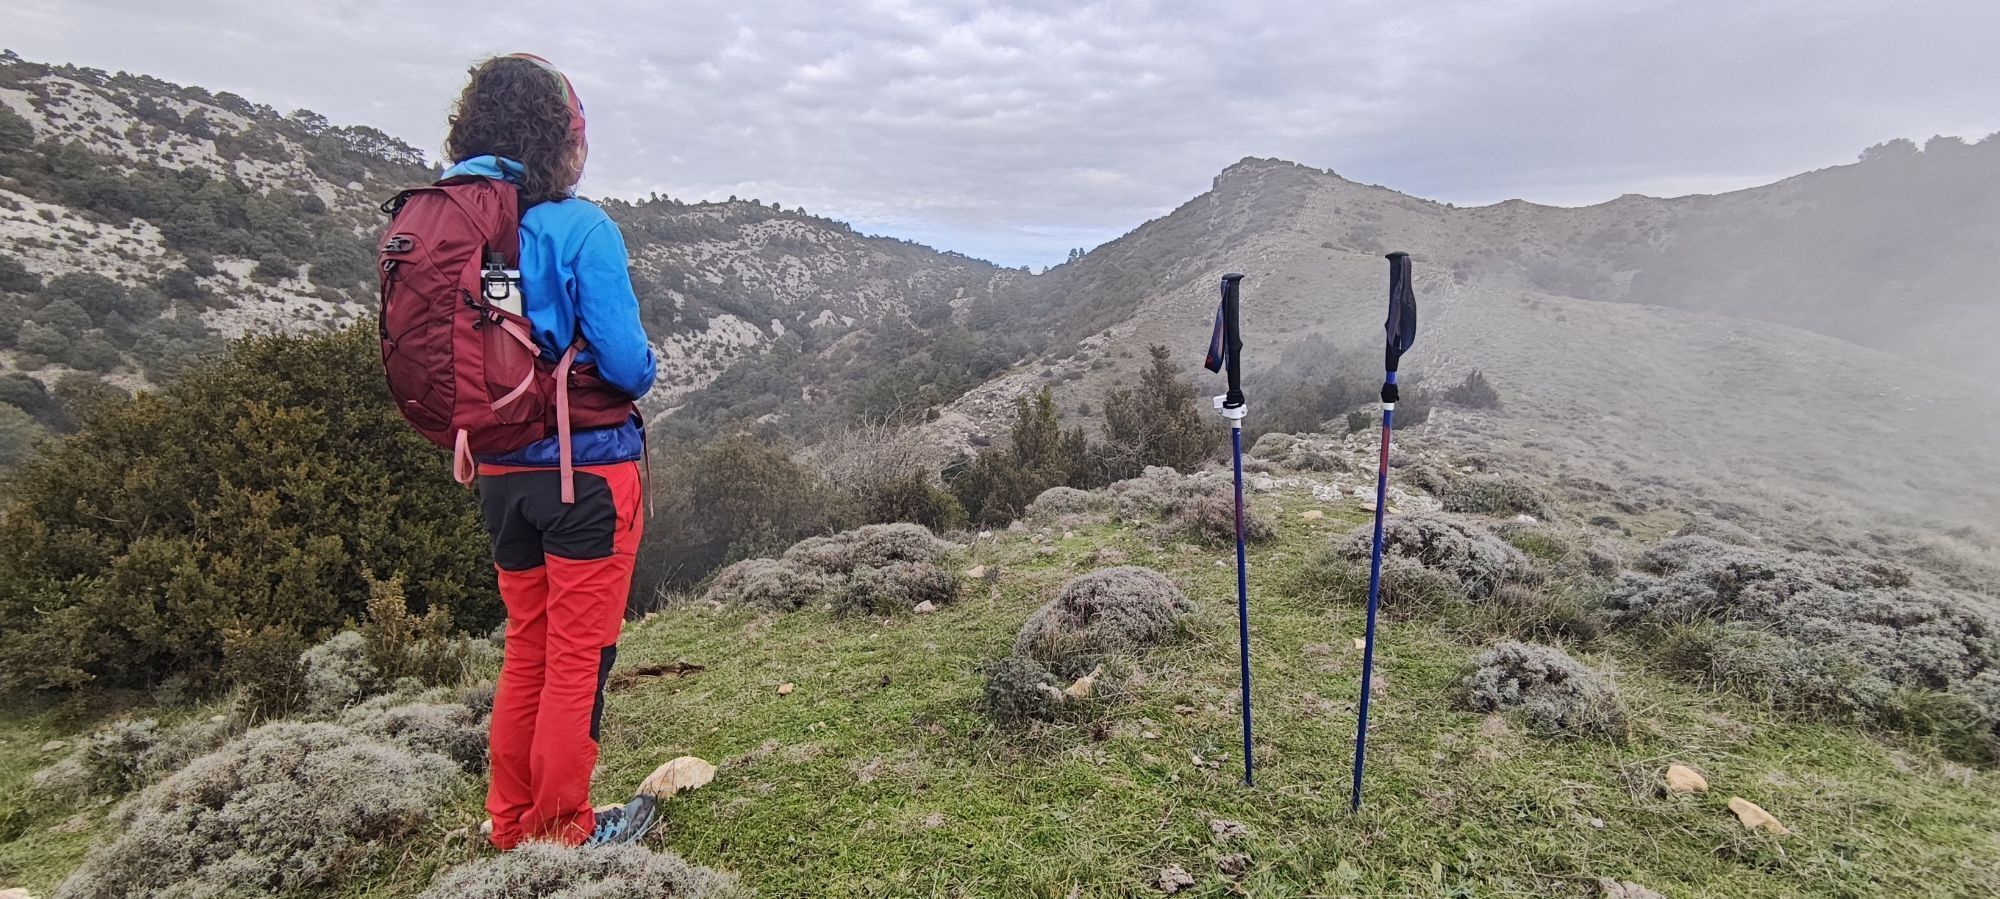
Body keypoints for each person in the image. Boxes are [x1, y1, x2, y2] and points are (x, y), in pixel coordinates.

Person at [440, 52, 657, 850]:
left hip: (499, 473)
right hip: (586, 477)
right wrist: (646, 363)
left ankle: (511, 824)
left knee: (525, 649)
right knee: (577, 659)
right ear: (560, 138)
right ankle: (564, 834)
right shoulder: (580, 228)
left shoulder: (462, 230)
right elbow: (628, 365)